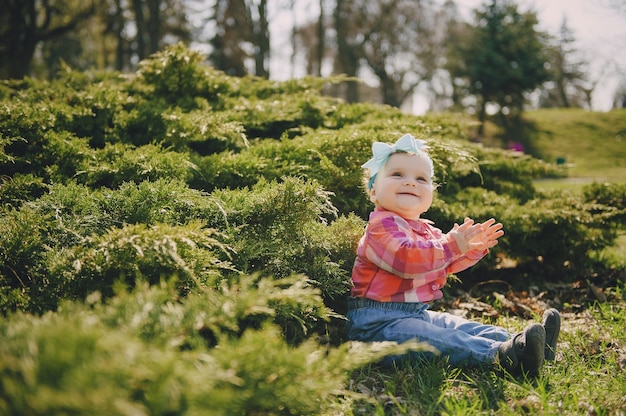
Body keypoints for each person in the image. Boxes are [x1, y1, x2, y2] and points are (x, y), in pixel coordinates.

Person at [345, 133, 561, 376]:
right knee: (442, 338)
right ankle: (504, 355)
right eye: (397, 174)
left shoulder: (426, 230)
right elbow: (406, 261)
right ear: (373, 191)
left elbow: (442, 263)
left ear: (430, 196)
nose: (411, 182)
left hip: (413, 313)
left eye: (421, 179)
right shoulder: (381, 227)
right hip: (376, 326)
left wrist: (469, 249)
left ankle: (528, 345)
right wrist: (451, 246)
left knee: (459, 326)